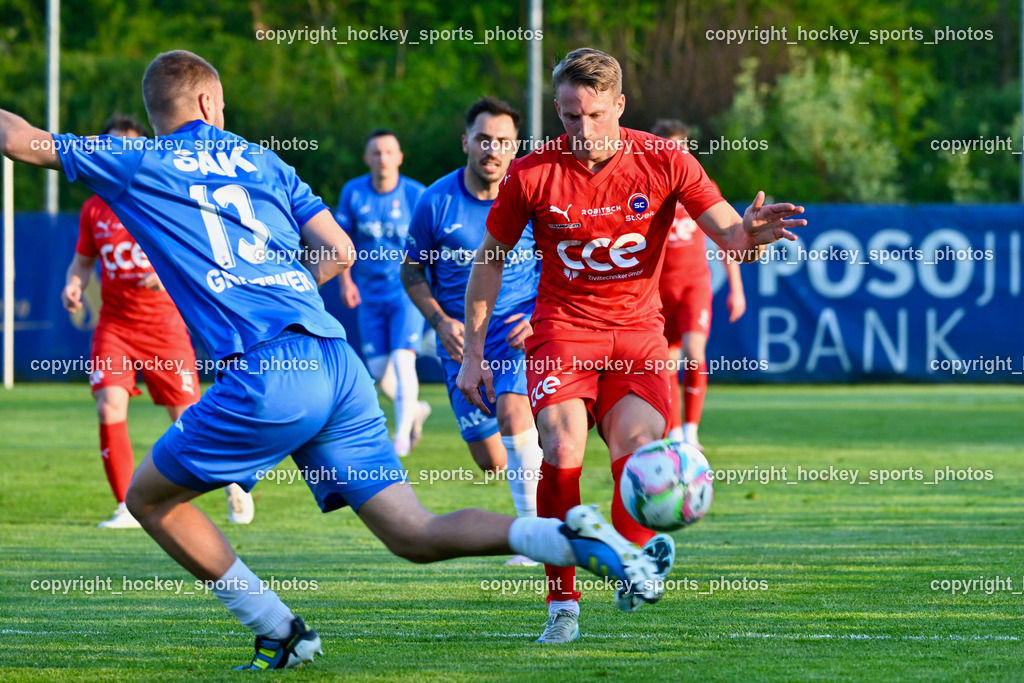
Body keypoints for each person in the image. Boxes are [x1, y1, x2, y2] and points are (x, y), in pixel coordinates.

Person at [0, 49, 669, 669]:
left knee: (149, 498)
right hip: (335, 361)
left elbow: (18, 139)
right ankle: (566, 537)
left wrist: (245, 298)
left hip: (267, 373)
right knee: (413, 533)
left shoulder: (136, 159)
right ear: (207, 104)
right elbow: (338, 251)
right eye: (222, 105)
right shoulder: (264, 160)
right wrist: (280, 286)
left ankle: (277, 627)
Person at [457, 47, 805, 643]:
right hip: (563, 329)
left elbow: (730, 235)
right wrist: (473, 353)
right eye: (571, 116)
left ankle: (629, 559)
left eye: (595, 115)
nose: (583, 129)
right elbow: (489, 261)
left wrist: (750, 237)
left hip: (638, 336)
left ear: (620, 105)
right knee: (560, 444)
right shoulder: (532, 172)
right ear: (558, 111)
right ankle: (562, 605)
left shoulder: (665, 158)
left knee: (642, 453)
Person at [61, 113, 254, 528]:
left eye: (127, 145)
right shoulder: (94, 208)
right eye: (109, 144)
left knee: (189, 419)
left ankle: (233, 480)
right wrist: (73, 284)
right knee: (109, 404)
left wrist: (168, 275)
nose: (116, 152)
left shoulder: (162, 194)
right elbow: (82, 262)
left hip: (165, 327)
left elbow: (204, 254)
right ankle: (125, 507)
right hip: (115, 326)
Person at [402, 97, 543, 567]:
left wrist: (539, 314)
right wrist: (440, 322)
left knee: (514, 416)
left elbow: (560, 262)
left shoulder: (530, 196)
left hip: (518, 330)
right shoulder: (435, 201)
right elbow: (411, 271)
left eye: (503, 141)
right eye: (484, 139)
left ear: (515, 147)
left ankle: (533, 538)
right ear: (466, 142)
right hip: (462, 342)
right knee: (493, 461)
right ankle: (542, 460)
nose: (493, 149)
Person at [651, 119, 746, 451]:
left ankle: (691, 432)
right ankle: (675, 433)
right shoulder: (644, 186)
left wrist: (736, 289)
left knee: (694, 352)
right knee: (665, 362)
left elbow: (726, 237)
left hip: (693, 285)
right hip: (656, 290)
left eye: (681, 145)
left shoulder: (699, 184)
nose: (676, 152)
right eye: (668, 145)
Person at [335, 130, 431, 456]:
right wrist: (345, 283)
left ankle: (400, 439)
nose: (383, 158)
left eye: (389, 152)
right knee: (378, 371)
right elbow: (342, 242)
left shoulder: (416, 194)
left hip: (407, 291)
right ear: (367, 158)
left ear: (400, 157)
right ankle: (416, 410)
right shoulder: (353, 192)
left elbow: (433, 241)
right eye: (376, 152)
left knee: (403, 363)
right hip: (369, 294)